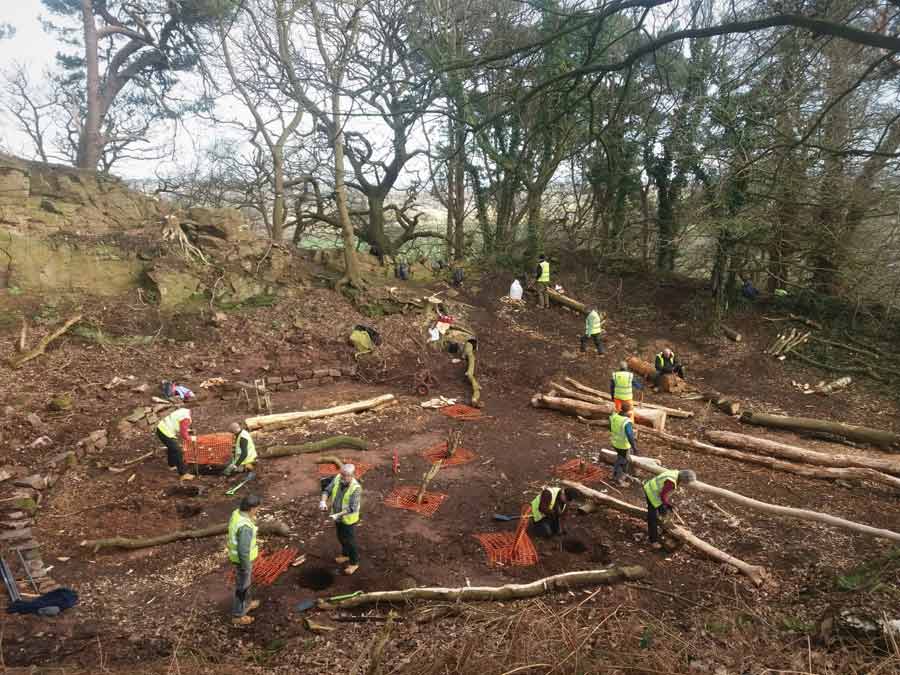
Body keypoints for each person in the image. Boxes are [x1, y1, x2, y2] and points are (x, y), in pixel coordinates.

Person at [319, 464, 362, 575]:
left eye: (345, 476)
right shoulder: (338, 478)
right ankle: (345, 555)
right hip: (337, 516)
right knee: (341, 536)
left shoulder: (356, 488)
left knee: (349, 540)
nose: (342, 478)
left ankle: (354, 562)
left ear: (351, 475)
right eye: (341, 475)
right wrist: (323, 501)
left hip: (348, 519)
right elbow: (327, 490)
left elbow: (352, 507)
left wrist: (339, 515)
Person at [227, 494, 262, 625]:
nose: (258, 510)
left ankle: (247, 604)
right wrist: (246, 565)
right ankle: (238, 615)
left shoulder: (237, 513)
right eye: (257, 508)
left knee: (246, 584)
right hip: (242, 561)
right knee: (242, 587)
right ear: (251, 508)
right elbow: (243, 550)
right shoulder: (245, 528)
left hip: (239, 559)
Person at [643, 469, 697, 550]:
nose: (686, 484)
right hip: (651, 492)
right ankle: (653, 541)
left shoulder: (676, 473)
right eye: (687, 482)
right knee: (652, 518)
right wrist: (668, 505)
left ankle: (664, 530)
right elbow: (663, 495)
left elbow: (664, 494)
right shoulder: (671, 481)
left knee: (664, 512)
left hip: (655, 492)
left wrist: (666, 506)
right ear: (684, 479)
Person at [156, 407, 194, 481]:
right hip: (165, 432)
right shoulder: (186, 419)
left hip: (160, 428)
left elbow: (179, 424)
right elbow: (184, 434)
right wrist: (191, 439)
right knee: (178, 451)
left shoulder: (183, 411)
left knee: (172, 448)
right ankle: (183, 474)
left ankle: (172, 465)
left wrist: (186, 430)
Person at [609, 401, 638, 486]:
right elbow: (629, 435)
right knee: (623, 461)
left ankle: (615, 475)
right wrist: (634, 447)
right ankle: (619, 480)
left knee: (620, 458)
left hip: (615, 442)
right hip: (623, 445)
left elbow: (610, 427)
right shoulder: (626, 422)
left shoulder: (614, 416)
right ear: (628, 411)